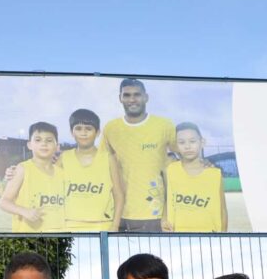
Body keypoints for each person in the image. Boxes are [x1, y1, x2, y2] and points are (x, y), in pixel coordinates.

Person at [101, 78, 176, 232]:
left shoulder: (164, 125)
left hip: (155, 215)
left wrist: (205, 163)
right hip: (119, 214)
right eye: (127, 95)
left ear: (146, 97)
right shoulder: (111, 128)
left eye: (137, 94)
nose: (132, 99)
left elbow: (181, 159)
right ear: (120, 98)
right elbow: (101, 163)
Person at [0, 122, 68, 233]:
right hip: (28, 238)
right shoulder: (22, 169)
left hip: (56, 238)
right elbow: (4, 202)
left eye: (49, 140)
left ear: (57, 146)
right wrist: (24, 211)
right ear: (29, 145)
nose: (44, 144)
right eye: (38, 140)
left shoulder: (62, 173)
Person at [60, 108, 120, 232]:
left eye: (88, 128)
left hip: (102, 225)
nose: (83, 133)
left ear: (97, 132)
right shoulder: (63, 158)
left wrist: (115, 226)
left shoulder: (108, 158)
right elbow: (45, 178)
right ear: (72, 132)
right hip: (69, 224)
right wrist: (13, 172)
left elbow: (118, 194)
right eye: (78, 129)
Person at [162, 123, 226, 233]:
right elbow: (167, 201)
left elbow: (222, 210)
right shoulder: (170, 170)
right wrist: (164, 220)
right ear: (176, 146)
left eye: (192, 141)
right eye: (181, 142)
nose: (187, 146)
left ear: (202, 142)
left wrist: (223, 235)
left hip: (208, 236)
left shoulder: (215, 173)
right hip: (177, 235)